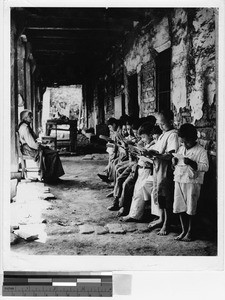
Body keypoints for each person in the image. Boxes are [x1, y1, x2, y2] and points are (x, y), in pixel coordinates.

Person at [172, 123, 209, 241]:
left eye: (186, 141)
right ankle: (183, 230)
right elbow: (177, 163)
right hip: (179, 179)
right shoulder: (182, 148)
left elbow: (205, 167)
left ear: (192, 138)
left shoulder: (200, 151)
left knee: (191, 207)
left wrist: (192, 163)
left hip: (192, 182)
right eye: (183, 142)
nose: (184, 144)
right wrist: (174, 161)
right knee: (179, 206)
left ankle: (190, 232)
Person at [147, 110, 179, 235]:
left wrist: (158, 155)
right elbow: (157, 148)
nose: (160, 127)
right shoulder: (162, 134)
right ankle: (162, 219)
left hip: (166, 169)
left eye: (163, 124)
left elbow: (172, 154)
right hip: (158, 168)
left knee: (166, 196)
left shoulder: (173, 135)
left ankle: (167, 223)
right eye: (158, 124)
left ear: (171, 121)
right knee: (159, 194)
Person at [18, 109, 65, 183]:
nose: (32, 118)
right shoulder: (25, 128)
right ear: (25, 118)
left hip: (29, 147)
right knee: (53, 153)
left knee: (49, 151)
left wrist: (41, 144)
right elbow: (32, 144)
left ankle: (51, 176)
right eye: (30, 117)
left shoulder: (24, 126)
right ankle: (51, 177)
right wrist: (41, 146)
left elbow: (34, 139)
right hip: (29, 150)